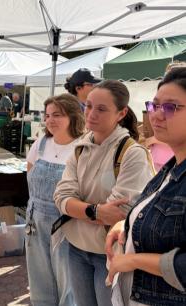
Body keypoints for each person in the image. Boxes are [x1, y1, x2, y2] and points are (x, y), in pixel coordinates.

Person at [54, 80, 155, 306]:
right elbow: (60, 197)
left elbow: (120, 213)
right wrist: (94, 210)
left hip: (109, 254)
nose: (91, 113)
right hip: (75, 247)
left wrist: (77, 207)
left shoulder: (132, 153)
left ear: (121, 113)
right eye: (88, 106)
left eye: (101, 109)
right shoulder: (80, 147)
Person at [106, 68, 186, 306]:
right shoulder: (169, 169)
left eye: (170, 107)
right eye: (155, 105)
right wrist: (127, 225)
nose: (156, 115)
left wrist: (134, 260)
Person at [25, 93, 84, 306]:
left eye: (57, 115)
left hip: (66, 222)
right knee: (39, 280)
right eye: (47, 115)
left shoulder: (82, 147)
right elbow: (30, 175)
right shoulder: (40, 144)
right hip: (35, 221)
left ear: (73, 116)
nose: (50, 120)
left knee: (68, 282)